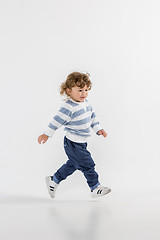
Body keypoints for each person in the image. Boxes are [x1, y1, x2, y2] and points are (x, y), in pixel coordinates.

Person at [38, 72, 111, 198]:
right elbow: (56, 121)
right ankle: (95, 187)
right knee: (88, 164)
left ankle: (54, 179)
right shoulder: (69, 107)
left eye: (86, 90)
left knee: (73, 164)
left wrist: (98, 129)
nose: (84, 93)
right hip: (72, 143)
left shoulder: (86, 104)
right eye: (80, 90)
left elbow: (92, 118)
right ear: (68, 91)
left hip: (82, 143)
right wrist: (46, 134)